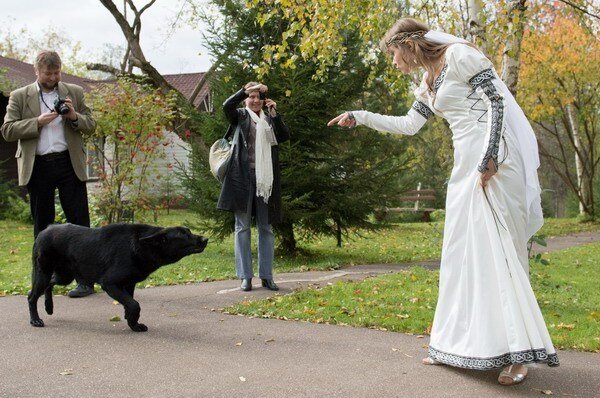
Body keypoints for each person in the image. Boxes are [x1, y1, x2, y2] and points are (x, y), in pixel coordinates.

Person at [328, 18, 559, 385]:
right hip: (464, 166)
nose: (394, 62)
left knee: (499, 253)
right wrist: (361, 116)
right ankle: (454, 344)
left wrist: (490, 159)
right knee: (459, 255)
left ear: (407, 44)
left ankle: (519, 356)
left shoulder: (461, 56)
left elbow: (496, 104)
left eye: (393, 54)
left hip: (495, 163)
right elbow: (408, 125)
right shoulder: (427, 81)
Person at [1, 50, 97, 298]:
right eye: (49, 73)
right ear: (37, 71)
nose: (54, 77)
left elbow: (92, 124)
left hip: (68, 163)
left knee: (80, 225)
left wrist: (74, 116)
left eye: (57, 72)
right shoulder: (20, 96)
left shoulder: (73, 92)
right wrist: (38, 122)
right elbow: (7, 130)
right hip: (38, 165)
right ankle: (41, 282)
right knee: (42, 228)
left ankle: (85, 281)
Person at [218, 82, 290, 292]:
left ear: (264, 99)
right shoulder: (240, 115)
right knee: (242, 228)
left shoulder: (269, 118)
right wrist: (243, 90)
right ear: (246, 99)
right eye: (251, 96)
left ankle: (267, 277)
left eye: (258, 97)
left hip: (265, 181)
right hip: (242, 178)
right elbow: (225, 106)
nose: (255, 100)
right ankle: (245, 277)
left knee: (266, 228)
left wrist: (275, 113)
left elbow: (284, 136)